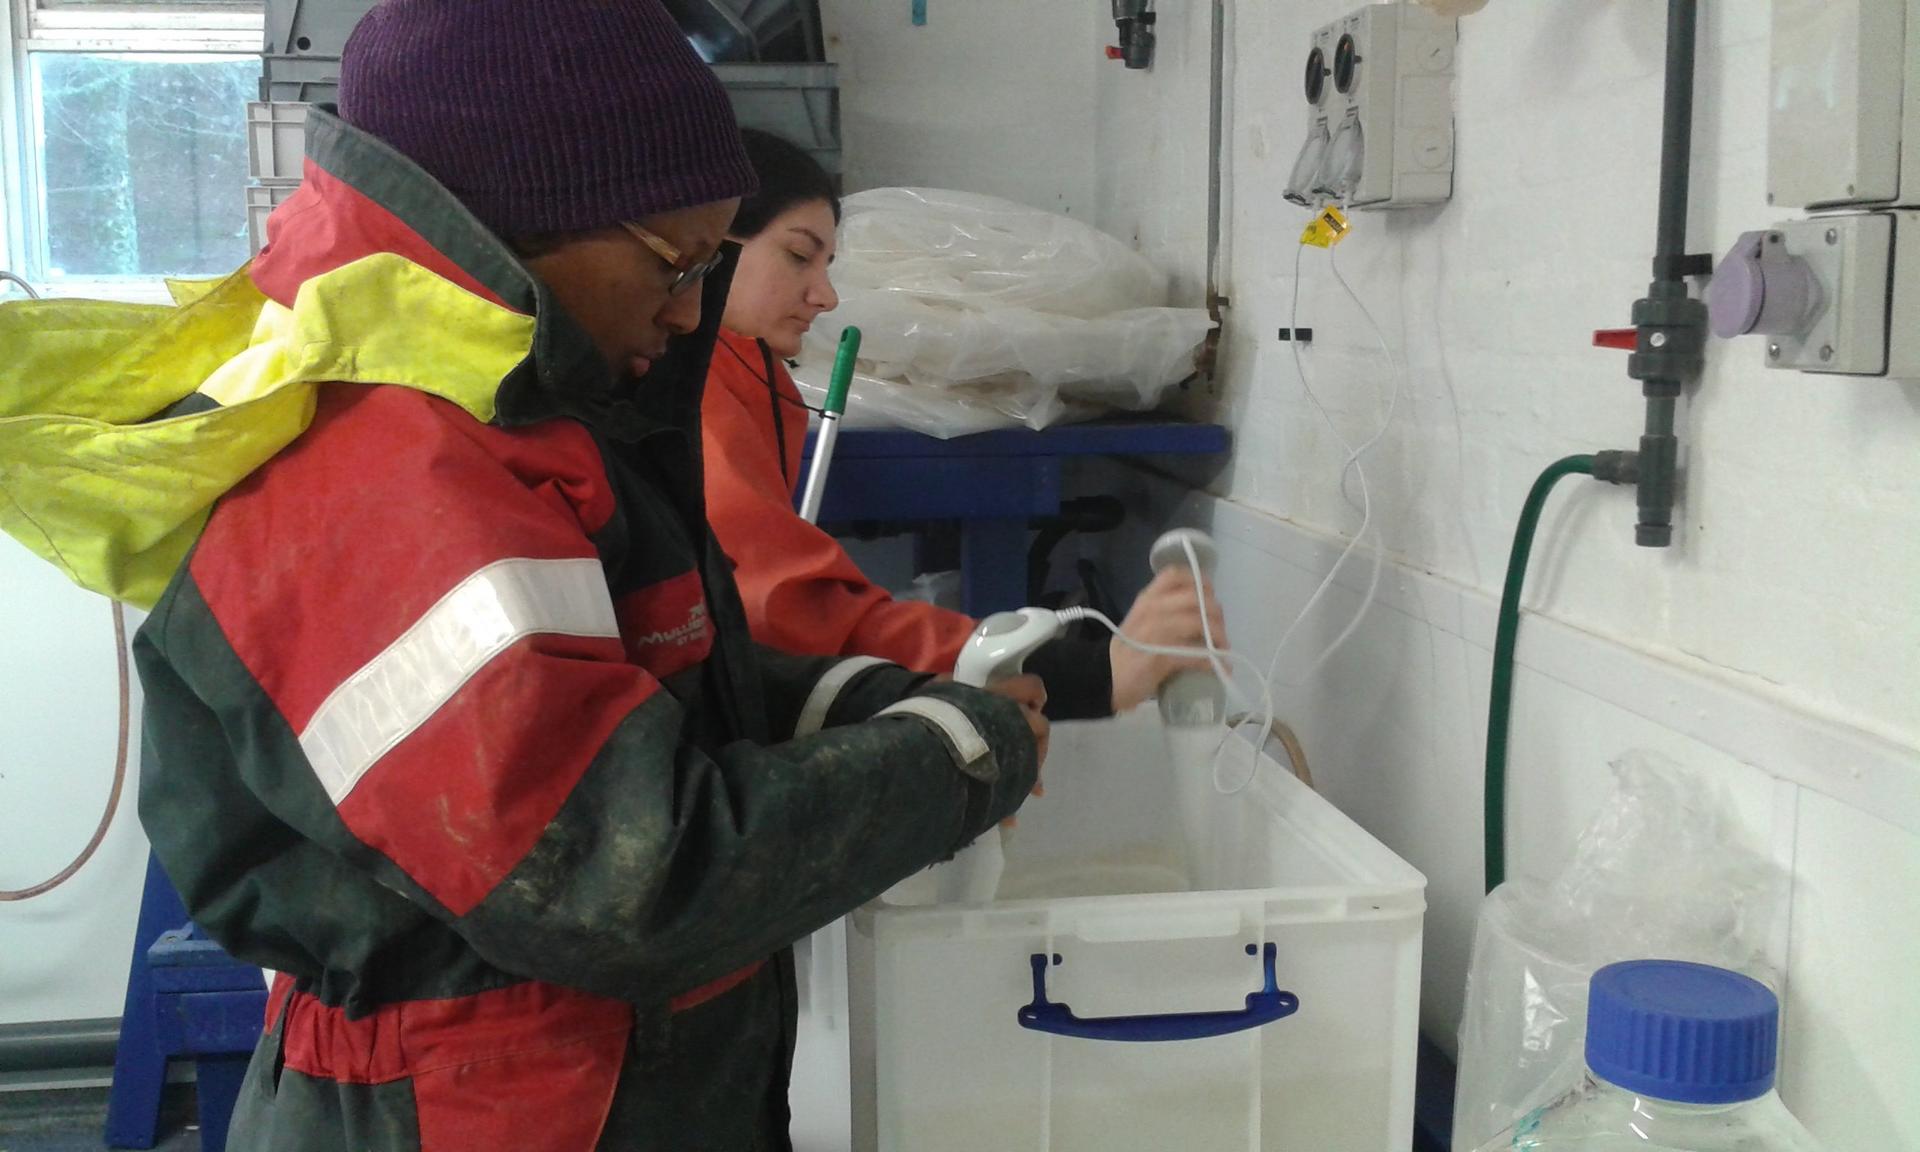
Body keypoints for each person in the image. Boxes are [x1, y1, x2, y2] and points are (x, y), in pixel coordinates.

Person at [0, 3, 1052, 1149]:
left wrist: (840, 700)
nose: (695, 308)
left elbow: (609, 678)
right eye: (680, 261)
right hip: (480, 1109)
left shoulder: (516, 408)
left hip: (586, 1081)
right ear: (530, 220)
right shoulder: (380, 468)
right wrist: (956, 757)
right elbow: (624, 881)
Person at [703, 129, 1227, 720]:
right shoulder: (699, 398)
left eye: (828, 266)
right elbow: (787, 611)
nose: (825, 296)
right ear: (704, 242)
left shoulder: (748, 383)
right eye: (799, 256)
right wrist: (1081, 674)